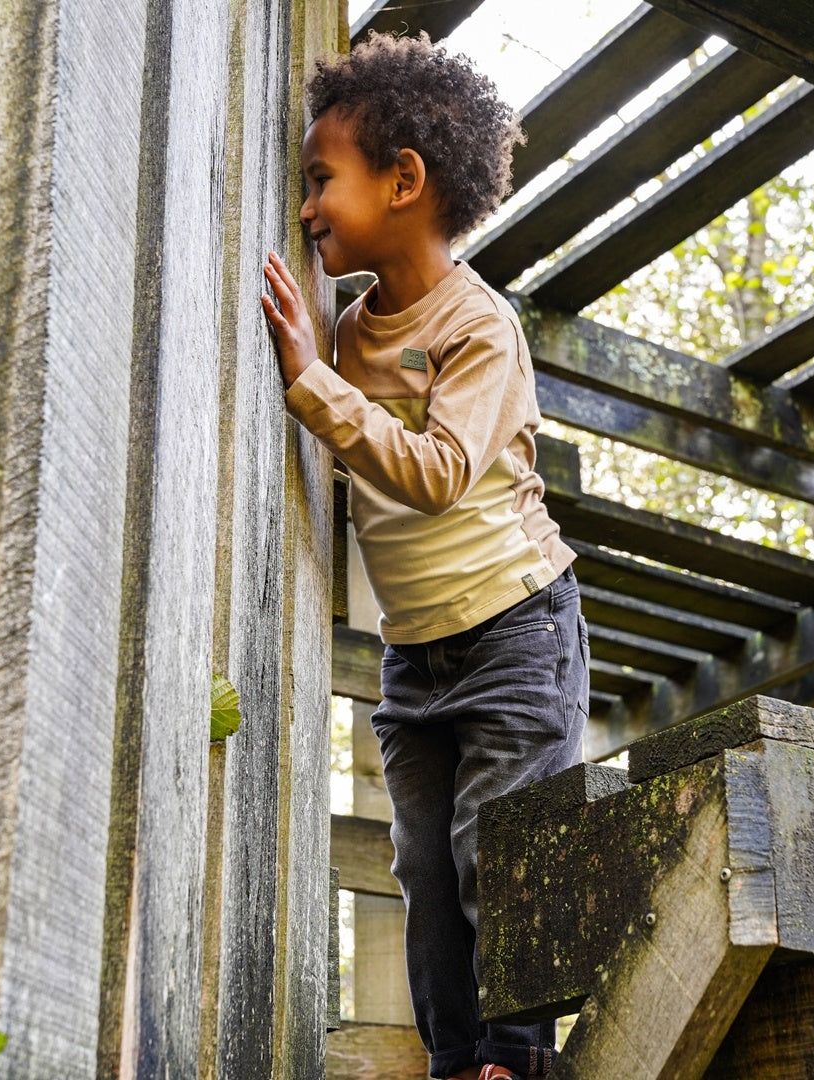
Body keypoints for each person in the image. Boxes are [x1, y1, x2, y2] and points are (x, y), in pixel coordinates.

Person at [261, 31, 588, 1080]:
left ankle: (515, 1056)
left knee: (500, 846)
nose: (307, 208)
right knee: (423, 866)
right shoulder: (349, 331)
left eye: (322, 180)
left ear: (404, 180)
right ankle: (456, 1061)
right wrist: (324, 368)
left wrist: (313, 383)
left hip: (514, 632)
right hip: (416, 656)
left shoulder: (479, 328)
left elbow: (440, 470)